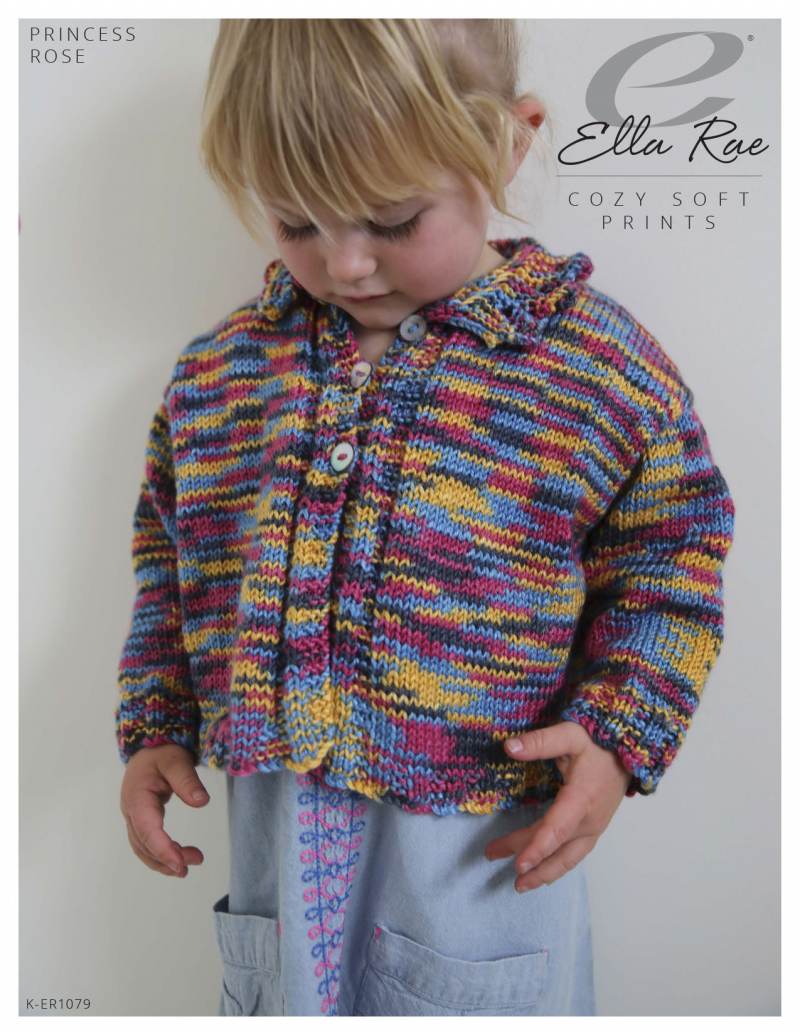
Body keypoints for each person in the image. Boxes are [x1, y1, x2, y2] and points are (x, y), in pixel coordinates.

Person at [115, 19, 736, 1017]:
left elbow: (673, 558)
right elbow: (170, 558)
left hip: (479, 845)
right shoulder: (222, 375)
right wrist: (156, 719)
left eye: (393, 220)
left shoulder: (593, 370)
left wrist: (619, 737)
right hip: (277, 835)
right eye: (298, 222)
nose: (348, 263)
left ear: (504, 144)